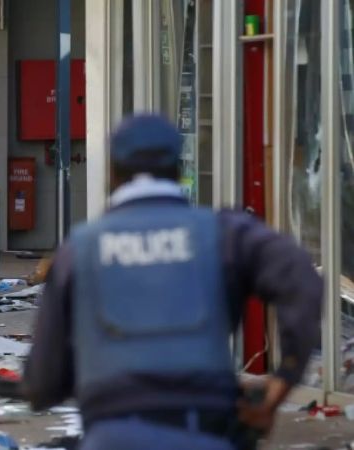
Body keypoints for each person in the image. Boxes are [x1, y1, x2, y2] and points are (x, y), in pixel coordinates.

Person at [23, 114, 323, 449]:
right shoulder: (223, 233)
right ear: (179, 168)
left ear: (111, 171)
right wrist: (284, 379)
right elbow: (301, 278)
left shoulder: (79, 250)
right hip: (204, 432)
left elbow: (42, 383)